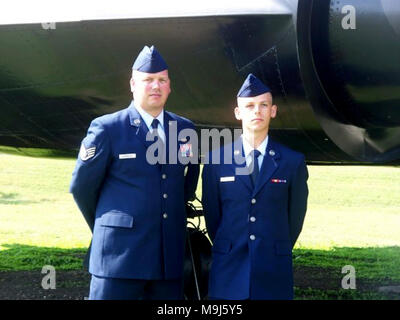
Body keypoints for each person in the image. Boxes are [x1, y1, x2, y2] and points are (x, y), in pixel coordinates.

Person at [69, 45, 199, 300]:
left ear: (170, 86)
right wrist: (110, 225)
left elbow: (187, 184)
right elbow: (82, 188)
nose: (155, 86)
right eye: (148, 80)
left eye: (162, 80)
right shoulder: (108, 128)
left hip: (167, 261)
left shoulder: (185, 129)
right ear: (132, 84)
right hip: (119, 258)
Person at [202, 73, 308, 300]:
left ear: (273, 111)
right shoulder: (216, 162)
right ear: (238, 113)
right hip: (228, 270)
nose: (257, 111)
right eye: (249, 106)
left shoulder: (292, 162)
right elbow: (214, 218)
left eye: (263, 105)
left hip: (272, 270)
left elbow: (295, 218)